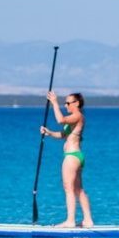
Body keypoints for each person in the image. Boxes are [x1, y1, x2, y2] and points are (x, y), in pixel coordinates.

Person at [40, 91, 93, 228]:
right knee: (78, 190)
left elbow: (60, 120)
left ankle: (70, 221)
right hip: (76, 156)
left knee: (68, 188)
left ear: (77, 103)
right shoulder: (75, 119)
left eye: (68, 103)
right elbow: (63, 134)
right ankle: (88, 220)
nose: (66, 105)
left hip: (71, 157)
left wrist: (54, 102)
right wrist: (49, 132)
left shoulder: (77, 116)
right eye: (65, 103)